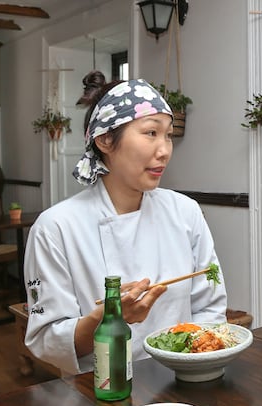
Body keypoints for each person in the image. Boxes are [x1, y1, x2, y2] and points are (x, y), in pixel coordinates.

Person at [23, 71, 227, 375]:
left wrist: (196, 365)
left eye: (168, 135)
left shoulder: (185, 212)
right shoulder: (56, 228)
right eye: (151, 132)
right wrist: (106, 319)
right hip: (100, 387)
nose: (164, 150)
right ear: (105, 139)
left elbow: (210, 308)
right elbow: (47, 340)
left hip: (184, 378)